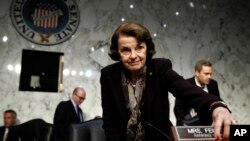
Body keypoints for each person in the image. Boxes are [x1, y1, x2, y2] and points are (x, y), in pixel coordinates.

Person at [100, 22, 237, 141]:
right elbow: (110, 122)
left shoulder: (160, 68)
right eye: (126, 50)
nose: (134, 56)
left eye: (139, 48)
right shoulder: (108, 75)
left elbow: (188, 91)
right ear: (117, 52)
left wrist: (217, 106)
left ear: (147, 48)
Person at [174, 59, 221, 126]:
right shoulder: (185, 84)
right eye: (206, 74)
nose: (209, 77)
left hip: (208, 125)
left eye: (210, 74)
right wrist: (183, 126)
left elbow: (217, 103)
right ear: (197, 73)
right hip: (190, 124)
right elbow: (178, 109)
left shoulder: (213, 84)